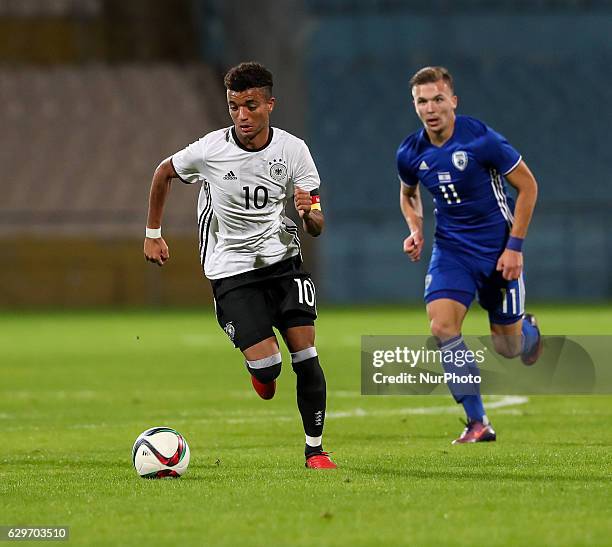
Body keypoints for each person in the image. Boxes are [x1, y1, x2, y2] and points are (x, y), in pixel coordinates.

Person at [143, 62, 336, 469]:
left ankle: (315, 451)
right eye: (234, 107)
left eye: (251, 106)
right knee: (269, 368)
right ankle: (260, 371)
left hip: (284, 262)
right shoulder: (211, 149)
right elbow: (163, 172)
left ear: (270, 104)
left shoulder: (293, 150)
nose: (242, 116)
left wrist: (309, 215)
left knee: (306, 353)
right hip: (231, 270)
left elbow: (316, 222)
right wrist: (153, 232)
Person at [397, 66, 542, 444]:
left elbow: (528, 187)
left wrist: (515, 248)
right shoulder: (410, 152)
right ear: (415, 106)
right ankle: (478, 422)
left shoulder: (481, 139)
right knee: (443, 328)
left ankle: (528, 331)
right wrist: (415, 228)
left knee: (507, 347)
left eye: (438, 99)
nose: (431, 108)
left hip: (497, 251)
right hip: (452, 251)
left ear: (453, 102)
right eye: (422, 101)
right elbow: (408, 193)